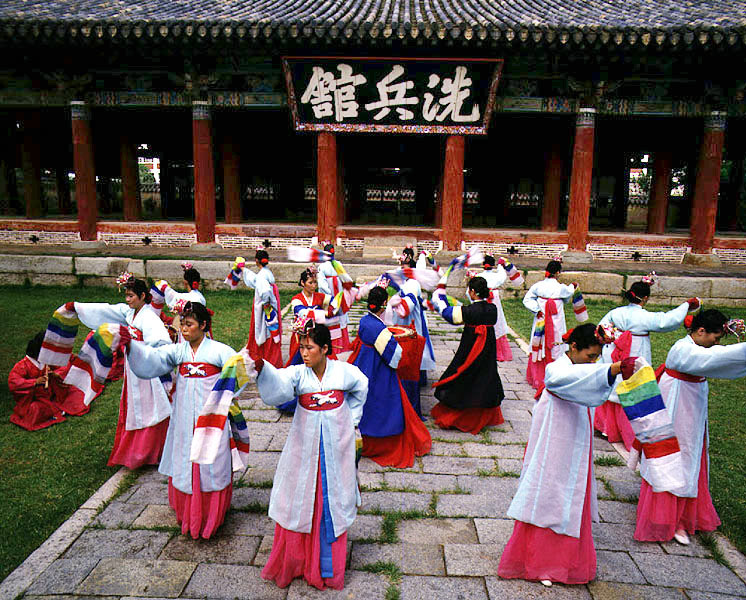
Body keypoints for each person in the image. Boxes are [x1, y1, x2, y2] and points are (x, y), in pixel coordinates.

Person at [499, 323, 626, 586]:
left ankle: (566, 559)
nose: (593, 362)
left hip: (575, 435)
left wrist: (608, 371)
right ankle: (541, 561)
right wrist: (609, 370)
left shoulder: (583, 368)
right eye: (590, 356)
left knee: (572, 491)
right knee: (550, 493)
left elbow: (592, 384)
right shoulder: (556, 368)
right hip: (555, 439)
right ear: (574, 347)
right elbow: (563, 380)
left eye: (597, 357)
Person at [256, 322, 368, 591]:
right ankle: (298, 561)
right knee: (300, 500)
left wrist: (351, 419)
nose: (304, 353)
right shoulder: (298, 374)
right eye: (302, 347)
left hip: (336, 447)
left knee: (332, 499)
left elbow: (361, 386)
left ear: (325, 348)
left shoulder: (344, 372)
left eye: (310, 348)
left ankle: (327, 566)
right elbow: (278, 385)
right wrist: (262, 369)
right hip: (304, 447)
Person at [127, 302, 239, 539]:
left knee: (212, 462)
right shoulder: (179, 352)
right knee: (185, 458)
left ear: (204, 325)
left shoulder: (220, 351)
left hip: (211, 421)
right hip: (184, 419)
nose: (184, 329)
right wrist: (130, 346)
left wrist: (223, 396)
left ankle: (211, 516)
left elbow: (239, 374)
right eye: (182, 324)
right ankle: (188, 512)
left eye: (189, 324)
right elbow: (153, 359)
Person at [634, 309, 745, 546]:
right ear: (701, 331)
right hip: (676, 403)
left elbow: (717, 356)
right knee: (674, 454)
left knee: (691, 453)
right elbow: (718, 358)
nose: (716, 343)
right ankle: (668, 517)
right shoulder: (682, 350)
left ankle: (682, 514)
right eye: (715, 337)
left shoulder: (696, 350)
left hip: (691, 401)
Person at [71, 276, 172, 468]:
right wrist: (77, 307)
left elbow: (162, 343)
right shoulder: (130, 313)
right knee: (136, 406)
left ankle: (149, 451)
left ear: (143, 296)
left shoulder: (149, 317)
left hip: (147, 369)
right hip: (132, 369)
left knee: (149, 407)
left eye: (131, 296)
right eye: (126, 295)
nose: (127, 299)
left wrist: (147, 357)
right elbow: (107, 310)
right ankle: (137, 450)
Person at [594, 278, 695, 450]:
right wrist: (685, 305)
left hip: (615, 350)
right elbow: (667, 321)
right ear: (645, 298)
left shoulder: (615, 312)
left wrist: (614, 336)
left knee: (614, 384)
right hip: (635, 351)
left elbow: (601, 328)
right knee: (633, 386)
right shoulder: (645, 317)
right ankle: (628, 430)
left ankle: (607, 427)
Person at [348, 286, 431, 467]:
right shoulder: (379, 328)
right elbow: (395, 355)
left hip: (363, 362)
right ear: (384, 304)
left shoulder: (364, 320)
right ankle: (381, 440)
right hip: (377, 368)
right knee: (381, 400)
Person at [430, 276, 505, 434]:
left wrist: (439, 300)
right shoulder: (493, 309)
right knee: (486, 373)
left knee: (464, 372)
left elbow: (449, 315)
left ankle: (461, 411)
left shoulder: (469, 311)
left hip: (471, 347)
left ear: (472, 292)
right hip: (488, 348)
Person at [277, 267, 343, 413]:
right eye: (310, 283)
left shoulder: (319, 296)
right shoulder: (296, 299)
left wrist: (333, 309)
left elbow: (335, 301)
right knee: (300, 368)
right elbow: (302, 312)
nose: (314, 286)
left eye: (315, 282)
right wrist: (325, 313)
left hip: (316, 337)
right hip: (301, 338)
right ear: (302, 283)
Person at [522, 259, 576, 389]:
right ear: (558, 272)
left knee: (539, 341)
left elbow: (527, 299)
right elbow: (569, 293)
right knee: (556, 341)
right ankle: (554, 374)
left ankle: (537, 376)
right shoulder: (561, 288)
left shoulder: (538, 286)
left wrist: (537, 310)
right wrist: (573, 286)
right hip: (556, 319)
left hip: (541, 318)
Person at [389, 276, 437, 417]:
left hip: (410, 325)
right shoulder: (407, 285)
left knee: (413, 355)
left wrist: (394, 303)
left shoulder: (412, 286)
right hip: (407, 324)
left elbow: (405, 310)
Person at [231, 249, 283, 368]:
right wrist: (243, 269)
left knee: (265, 329)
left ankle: (266, 359)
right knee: (270, 330)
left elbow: (265, 290)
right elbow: (254, 280)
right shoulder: (266, 273)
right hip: (270, 303)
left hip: (266, 307)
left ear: (256, 261)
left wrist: (266, 305)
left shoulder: (262, 276)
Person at [8, 331, 67, 431]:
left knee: (68, 393)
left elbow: (62, 367)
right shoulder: (23, 365)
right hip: (33, 399)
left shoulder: (45, 361)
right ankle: (53, 411)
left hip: (49, 394)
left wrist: (54, 374)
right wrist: (35, 382)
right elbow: (13, 382)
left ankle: (53, 408)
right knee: (35, 409)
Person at [475, 254, 517, 362]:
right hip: (495, 299)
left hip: (482, 298)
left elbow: (469, 292)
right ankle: (498, 352)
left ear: (483, 265)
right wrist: (500, 265)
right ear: (492, 265)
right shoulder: (498, 276)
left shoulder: (478, 277)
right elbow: (502, 274)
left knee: (481, 320)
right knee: (497, 321)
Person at [317, 243, 354, 353]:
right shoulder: (338, 264)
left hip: (330, 296)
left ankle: (332, 344)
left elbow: (322, 285)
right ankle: (343, 344)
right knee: (341, 317)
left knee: (330, 317)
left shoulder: (322, 267)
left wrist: (328, 296)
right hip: (339, 295)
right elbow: (346, 279)